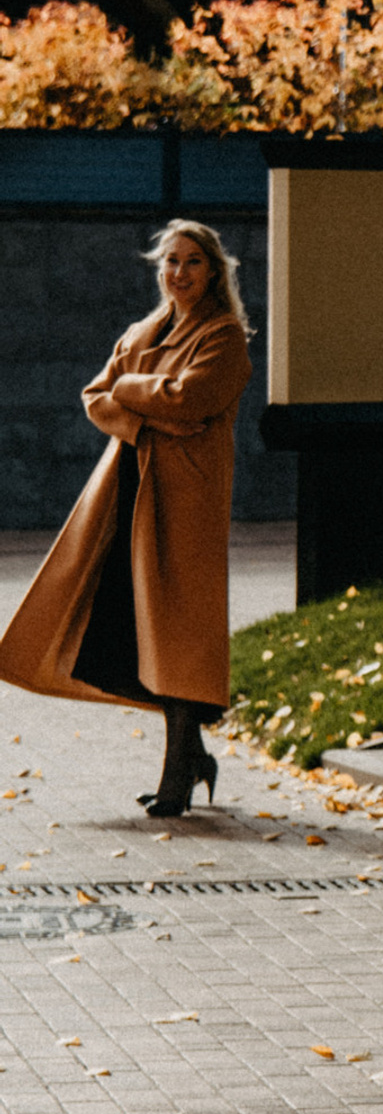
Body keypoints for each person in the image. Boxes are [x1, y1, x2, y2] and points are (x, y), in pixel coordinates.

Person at [0, 220, 253, 816]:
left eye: (193, 261)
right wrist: (148, 415)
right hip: (127, 492)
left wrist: (132, 391)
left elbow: (192, 399)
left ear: (213, 272)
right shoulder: (141, 332)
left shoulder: (224, 336)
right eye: (171, 261)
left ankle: (178, 773)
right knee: (139, 630)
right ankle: (192, 758)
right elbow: (97, 397)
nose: (179, 273)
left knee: (178, 633)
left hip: (186, 500)